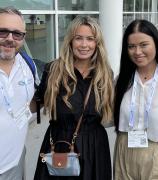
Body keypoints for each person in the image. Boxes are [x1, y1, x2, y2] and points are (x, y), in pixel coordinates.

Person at [34, 15, 114, 180]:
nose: (84, 45)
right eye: (78, 38)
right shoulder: (53, 70)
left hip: (95, 147)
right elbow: (35, 104)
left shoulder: (105, 74)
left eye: (90, 39)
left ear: (97, 43)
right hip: (60, 143)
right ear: (70, 41)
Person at [113, 19, 158, 180]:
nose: (137, 52)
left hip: (156, 156)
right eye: (131, 46)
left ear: (156, 44)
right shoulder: (122, 80)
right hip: (124, 153)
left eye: (143, 45)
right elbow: (107, 118)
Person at [0, 7, 38, 180]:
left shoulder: (28, 65)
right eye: (3, 32)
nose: (9, 39)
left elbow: (30, 102)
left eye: (17, 34)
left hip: (16, 162)